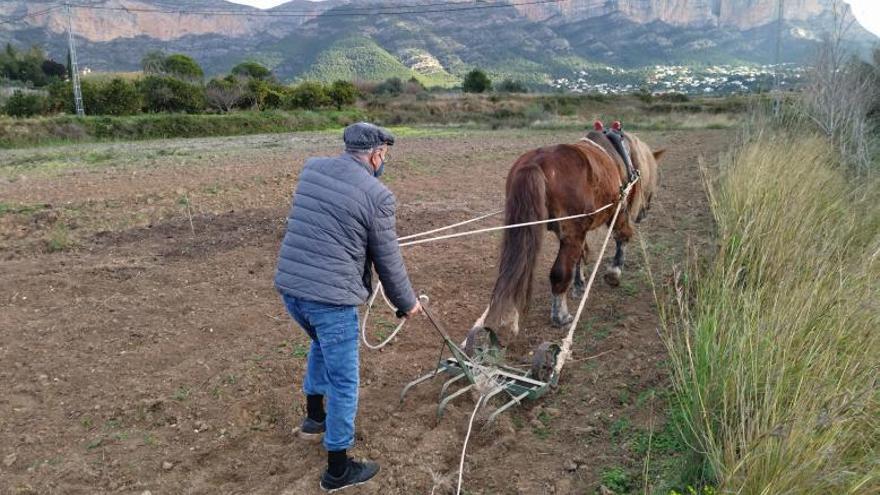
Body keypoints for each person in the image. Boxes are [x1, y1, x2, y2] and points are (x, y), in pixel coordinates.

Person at [274, 122, 421, 491]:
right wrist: (407, 304)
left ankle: (313, 420)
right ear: (376, 154)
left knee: (319, 345)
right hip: (330, 299)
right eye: (384, 156)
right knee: (345, 380)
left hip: (292, 290)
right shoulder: (379, 196)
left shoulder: (313, 168)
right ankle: (338, 470)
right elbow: (388, 260)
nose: (383, 161)